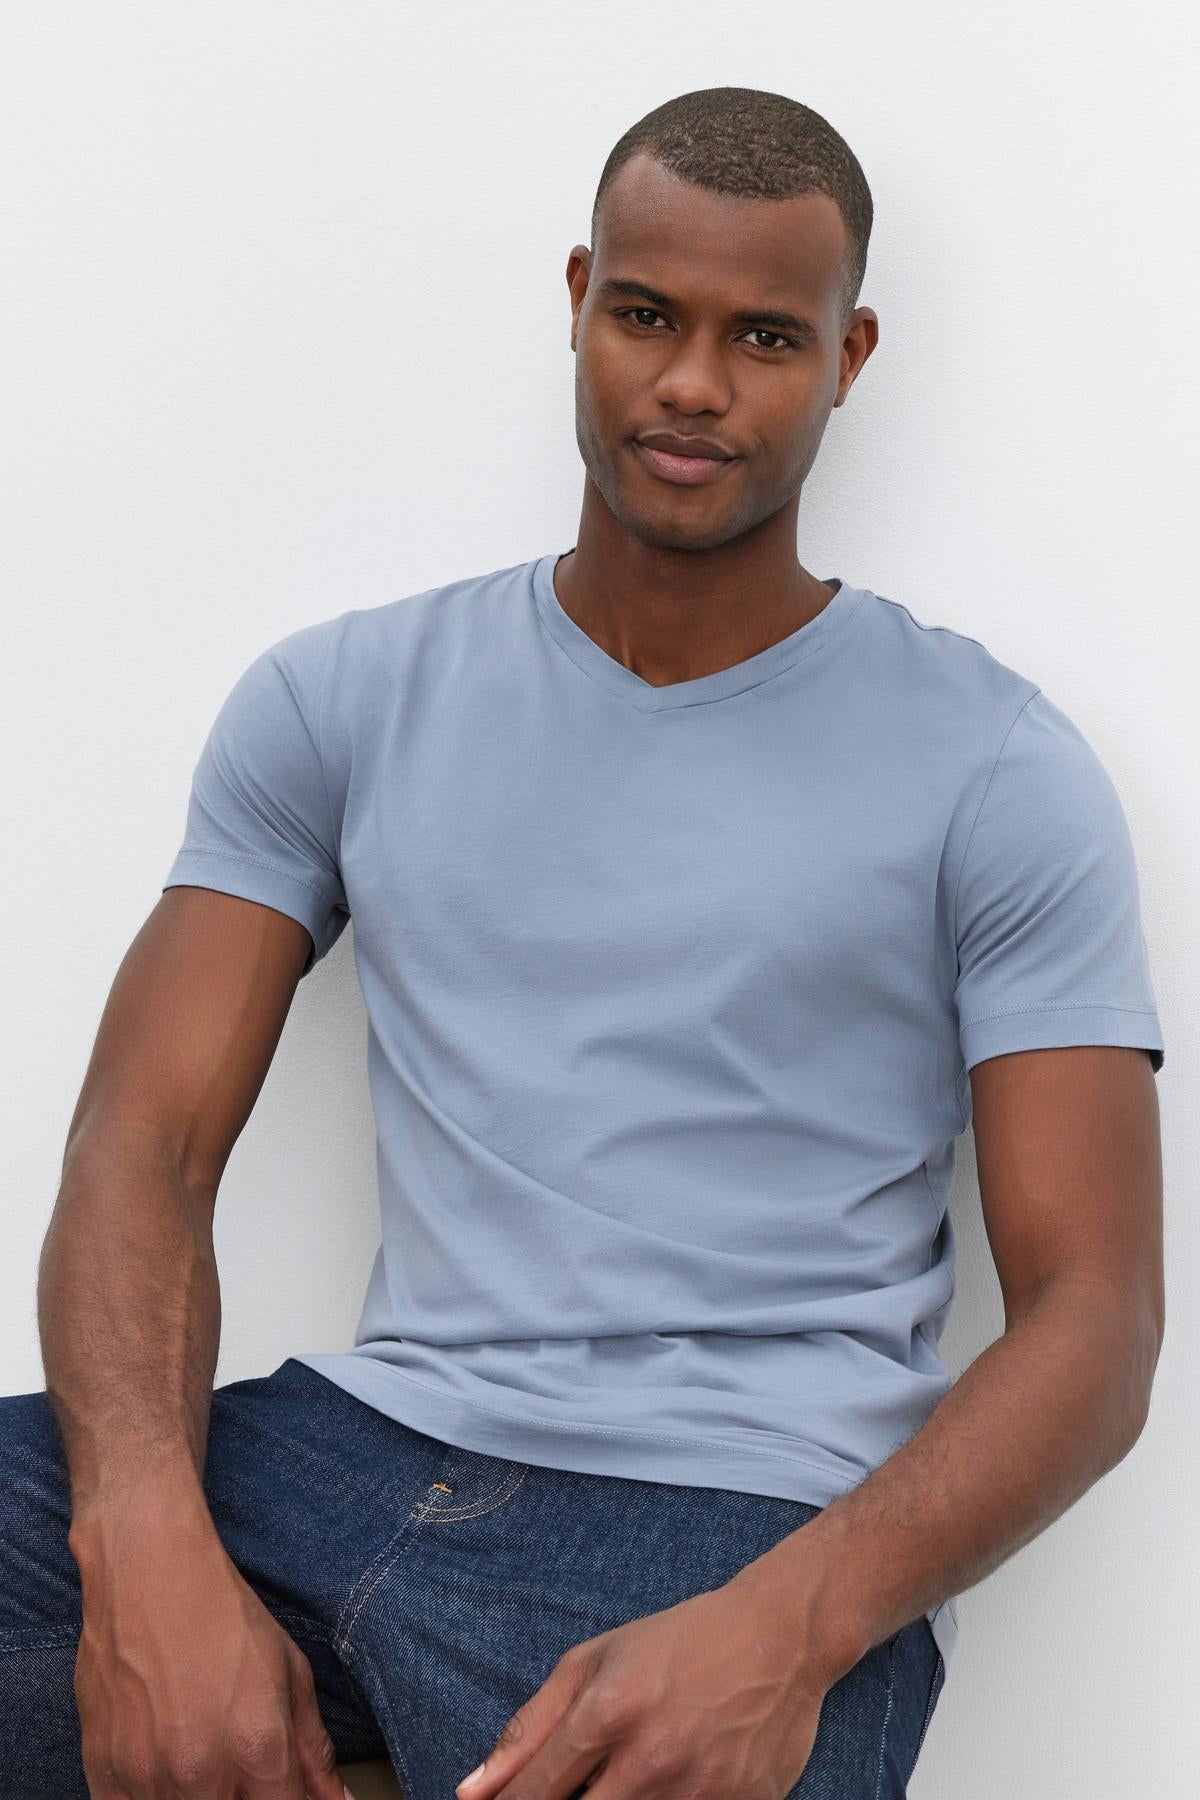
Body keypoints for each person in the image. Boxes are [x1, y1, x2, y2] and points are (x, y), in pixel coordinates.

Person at [2, 85, 1165, 1800]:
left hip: (735, 1527)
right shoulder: (342, 699)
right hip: (335, 1455)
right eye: (647, 315)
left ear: (848, 358)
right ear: (579, 303)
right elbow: (145, 1142)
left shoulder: (993, 766)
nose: (693, 382)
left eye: (763, 335)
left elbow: (1094, 1317)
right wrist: (149, 1546)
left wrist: (786, 1632)